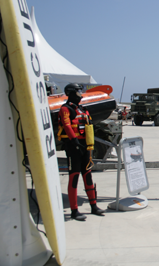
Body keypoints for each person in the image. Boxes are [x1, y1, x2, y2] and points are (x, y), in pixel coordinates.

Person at [58, 83, 105, 221]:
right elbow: (67, 125)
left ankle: (94, 206)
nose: (80, 94)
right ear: (71, 93)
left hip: (85, 146)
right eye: (78, 91)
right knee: (74, 177)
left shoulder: (83, 109)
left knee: (88, 175)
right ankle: (74, 210)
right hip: (74, 147)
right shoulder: (65, 109)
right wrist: (74, 141)